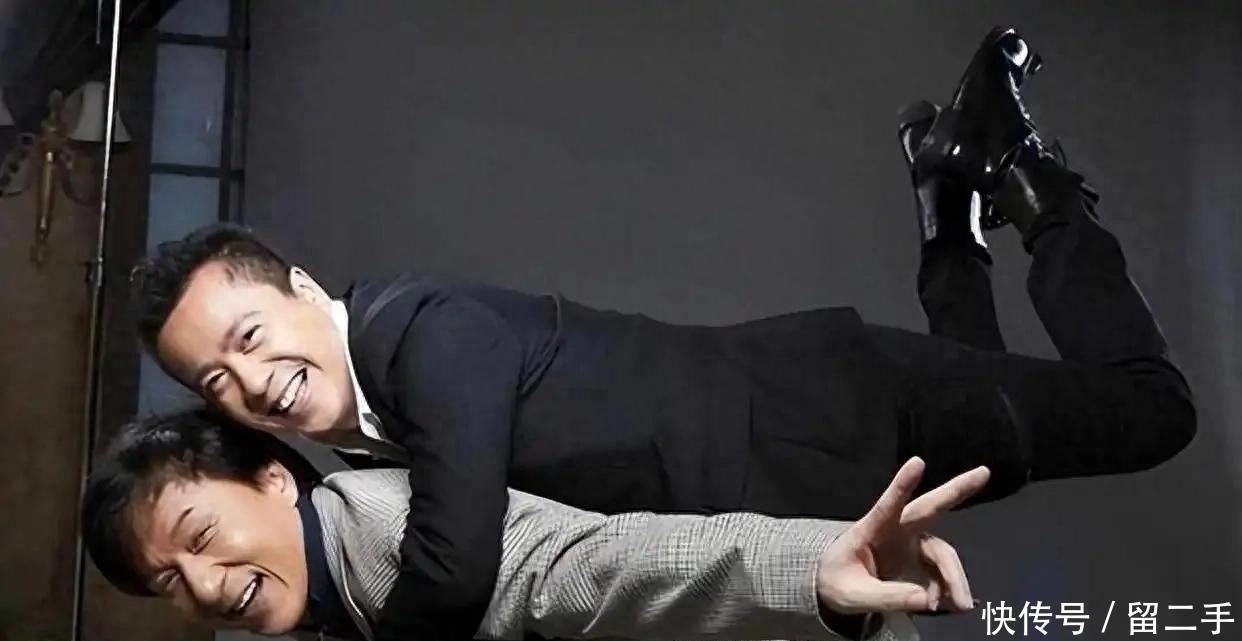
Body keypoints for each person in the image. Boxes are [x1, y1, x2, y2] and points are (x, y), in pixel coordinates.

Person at [130, 26, 1195, 641]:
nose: (250, 381)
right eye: (214, 379)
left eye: (251, 335)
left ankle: (1035, 184)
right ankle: (947, 199)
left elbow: (457, 570)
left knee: (1153, 411)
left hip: (834, 411)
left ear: (303, 287)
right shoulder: (363, 445)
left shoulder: (419, 334)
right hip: (820, 473)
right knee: (1008, 418)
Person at [82, 410, 990, 641]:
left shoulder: (393, 528)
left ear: (274, 478)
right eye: (168, 580)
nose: (203, 585)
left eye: (199, 537)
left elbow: (588, 567)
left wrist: (808, 566)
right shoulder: (328, 591)